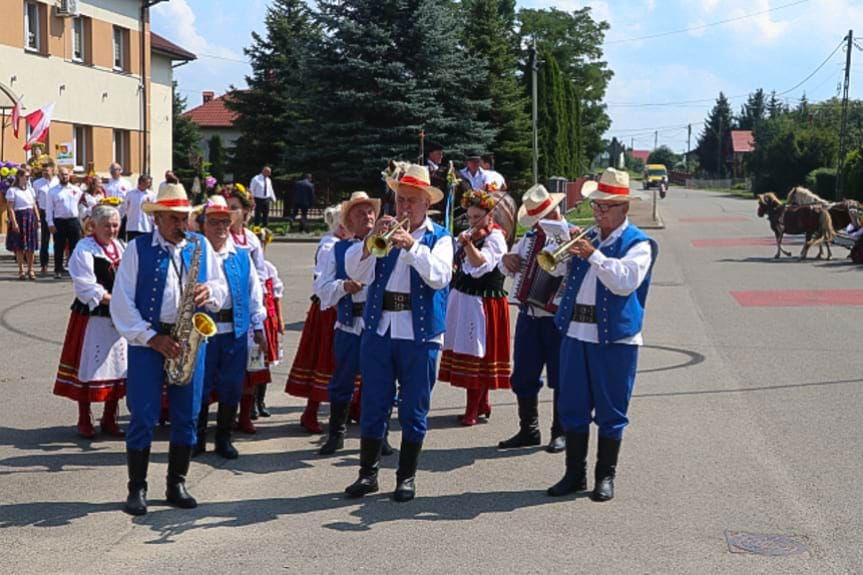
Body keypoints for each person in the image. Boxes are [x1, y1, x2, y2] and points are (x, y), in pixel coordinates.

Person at [110, 182, 227, 516]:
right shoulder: (138, 249)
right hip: (149, 341)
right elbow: (122, 302)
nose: (181, 225)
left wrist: (211, 293)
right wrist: (151, 338)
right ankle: (137, 487)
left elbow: (221, 288)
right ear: (158, 218)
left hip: (189, 338)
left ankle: (176, 482)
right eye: (174, 218)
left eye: (184, 218)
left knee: (186, 415)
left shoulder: (199, 245)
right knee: (143, 415)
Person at [546, 168, 657, 502]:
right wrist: (561, 248)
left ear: (624, 208)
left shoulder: (638, 244)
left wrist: (592, 255)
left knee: (611, 411)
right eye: (596, 206)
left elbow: (623, 281)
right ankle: (574, 474)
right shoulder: (589, 238)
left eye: (606, 207)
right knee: (572, 406)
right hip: (577, 333)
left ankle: (605, 476)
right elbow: (557, 270)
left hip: (615, 340)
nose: (599, 212)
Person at [344, 164, 452, 502]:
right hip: (380, 328)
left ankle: (406, 478)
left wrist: (411, 246)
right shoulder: (384, 232)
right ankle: (367, 475)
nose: (403, 207)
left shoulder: (440, 238)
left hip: (420, 334)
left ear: (426, 204)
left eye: (411, 201)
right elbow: (355, 271)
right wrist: (368, 243)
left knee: (413, 408)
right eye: (400, 200)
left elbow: (439, 276)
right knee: (374, 403)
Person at [497, 184, 571, 453]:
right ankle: (529, 430)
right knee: (523, 375)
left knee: (561, 376)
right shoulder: (529, 239)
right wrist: (507, 261)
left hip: (558, 318)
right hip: (529, 315)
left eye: (543, 218)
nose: (540, 226)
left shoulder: (572, 235)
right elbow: (503, 265)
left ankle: (560, 432)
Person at [195, 196, 266, 459]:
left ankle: (223, 438)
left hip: (233, 330)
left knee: (232, 386)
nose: (220, 227)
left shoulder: (241, 256)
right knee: (199, 385)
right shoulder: (196, 253)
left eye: (225, 222)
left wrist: (258, 327)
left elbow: (253, 293)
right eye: (214, 222)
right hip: (202, 331)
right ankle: (197, 437)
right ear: (204, 225)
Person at [52, 204, 127, 438]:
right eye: (107, 226)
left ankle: (109, 417)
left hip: (117, 314)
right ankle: (84, 418)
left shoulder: (120, 246)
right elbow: (85, 286)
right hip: (93, 315)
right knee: (89, 365)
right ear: (94, 225)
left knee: (118, 363)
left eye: (115, 225)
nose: (112, 230)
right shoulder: (84, 249)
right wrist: (112, 300)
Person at [439, 189, 510, 426]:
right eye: (470, 217)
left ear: (490, 216)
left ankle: (473, 409)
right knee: (471, 351)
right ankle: (482, 403)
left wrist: (468, 245)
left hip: (483, 301)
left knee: (478, 354)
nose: (472, 222)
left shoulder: (496, 238)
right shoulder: (475, 233)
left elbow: (481, 263)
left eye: (478, 216)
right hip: (466, 298)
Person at [315, 191, 379, 455]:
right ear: (349, 221)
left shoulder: (385, 244)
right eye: (360, 213)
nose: (367, 216)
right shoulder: (336, 249)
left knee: (379, 381)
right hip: (350, 322)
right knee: (343, 379)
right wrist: (343, 286)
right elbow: (322, 288)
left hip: (379, 323)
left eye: (370, 212)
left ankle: (378, 435)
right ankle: (337, 433)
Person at [285, 205, 348, 433]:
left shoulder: (345, 243)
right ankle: (310, 411)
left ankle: (351, 408)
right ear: (341, 226)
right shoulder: (329, 246)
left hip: (341, 307)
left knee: (345, 360)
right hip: (327, 310)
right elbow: (321, 282)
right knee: (323, 359)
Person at [225, 184, 271, 418]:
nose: (230, 213)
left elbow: (261, 272)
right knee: (230, 364)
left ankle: (246, 414)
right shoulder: (223, 238)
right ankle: (228, 413)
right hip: (229, 304)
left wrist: (258, 298)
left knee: (252, 361)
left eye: (234, 208)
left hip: (249, 304)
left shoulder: (251, 239)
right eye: (227, 208)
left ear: (244, 211)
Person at [237, 226, 284, 433]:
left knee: (257, 364)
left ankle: (254, 407)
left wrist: (273, 321)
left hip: (260, 318)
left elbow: (271, 295)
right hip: (238, 316)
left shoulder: (267, 268)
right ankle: (234, 413)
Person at [46, 167, 85, 279]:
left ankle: (74, 269)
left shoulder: (76, 190)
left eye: (66, 174)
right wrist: (50, 223)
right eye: (62, 174)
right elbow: (49, 209)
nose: (64, 176)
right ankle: (58, 269)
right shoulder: (53, 191)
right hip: (59, 221)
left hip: (73, 221)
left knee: (75, 247)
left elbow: (82, 205)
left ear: (69, 176)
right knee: (59, 247)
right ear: (58, 176)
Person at [5, 165, 40, 280]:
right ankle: (21, 270)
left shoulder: (30, 189)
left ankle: (31, 269)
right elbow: (10, 208)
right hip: (19, 217)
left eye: (29, 176)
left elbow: (34, 205)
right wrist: (14, 222)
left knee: (31, 246)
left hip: (30, 217)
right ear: (19, 177)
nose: (28, 178)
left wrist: (38, 218)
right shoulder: (12, 191)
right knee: (19, 246)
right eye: (26, 176)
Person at [33, 163, 59, 276]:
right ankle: (44, 265)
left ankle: (59, 266)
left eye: (47, 170)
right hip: (43, 212)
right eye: (43, 170)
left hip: (57, 212)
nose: (45, 172)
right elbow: (35, 201)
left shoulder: (58, 181)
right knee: (45, 239)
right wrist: (37, 216)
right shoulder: (37, 183)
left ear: (52, 170)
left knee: (59, 240)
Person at [125, 175, 156, 241]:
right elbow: (125, 208)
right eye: (148, 183)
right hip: (132, 226)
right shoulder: (130, 194)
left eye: (150, 183)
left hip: (146, 226)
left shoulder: (151, 195)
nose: (149, 185)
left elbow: (154, 211)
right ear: (141, 182)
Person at [105, 163, 133, 236]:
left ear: (120, 171)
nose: (114, 172)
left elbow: (130, 199)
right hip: (109, 213)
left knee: (121, 236)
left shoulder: (127, 184)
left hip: (122, 214)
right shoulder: (106, 183)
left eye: (116, 170)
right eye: (112, 170)